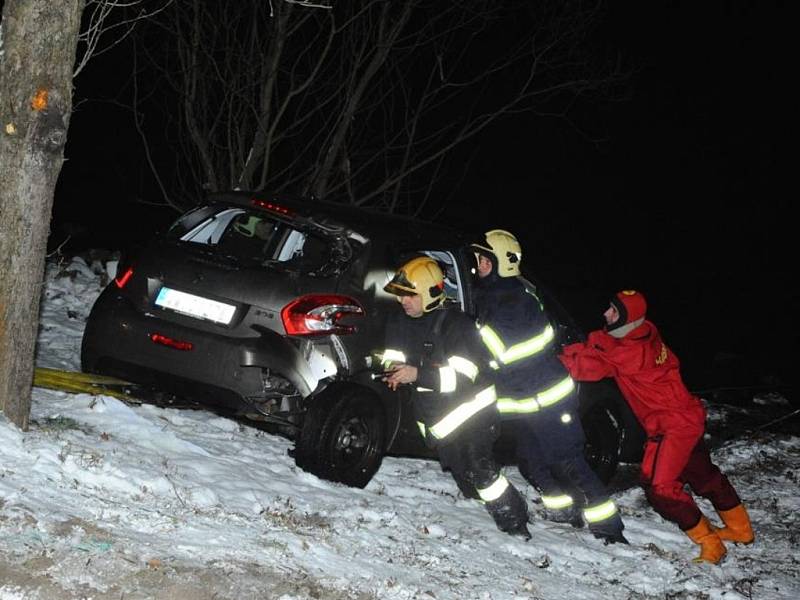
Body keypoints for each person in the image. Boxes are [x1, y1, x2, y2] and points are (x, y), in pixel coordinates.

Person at [559, 290, 755, 563]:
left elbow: (585, 367)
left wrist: (557, 352)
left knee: (660, 488)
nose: (605, 314)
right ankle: (741, 529)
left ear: (628, 319)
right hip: (688, 416)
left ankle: (710, 543)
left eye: (613, 312)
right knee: (702, 474)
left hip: (672, 426)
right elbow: (604, 348)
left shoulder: (628, 352)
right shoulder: (645, 332)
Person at [470, 230, 627, 544]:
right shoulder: (492, 296)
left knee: (567, 461)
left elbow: (507, 355)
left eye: (485, 259)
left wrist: (472, 341)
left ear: (504, 263)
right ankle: (564, 512)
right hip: (526, 400)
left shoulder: (514, 301)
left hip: (549, 399)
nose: (478, 264)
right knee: (530, 461)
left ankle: (609, 529)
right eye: (477, 258)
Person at [379, 255, 531, 539]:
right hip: (437, 414)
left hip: (473, 411)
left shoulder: (458, 326)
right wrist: (392, 372)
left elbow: (462, 378)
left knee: (480, 468)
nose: (403, 302)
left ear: (432, 292)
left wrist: (417, 374)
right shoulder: (399, 322)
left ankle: (515, 522)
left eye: (410, 296)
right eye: (400, 296)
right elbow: (393, 356)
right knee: (464, 474)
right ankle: (482, 497)